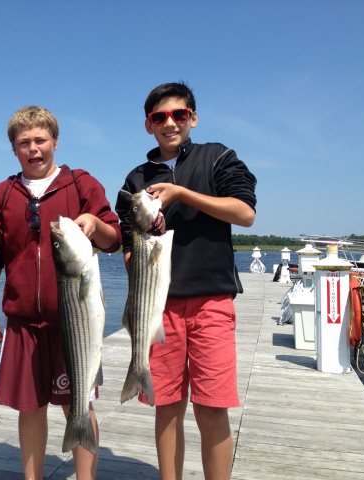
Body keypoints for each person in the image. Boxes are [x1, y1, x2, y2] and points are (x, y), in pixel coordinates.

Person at [115, 82, 257, 480]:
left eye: (179, 115)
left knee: (212, 408)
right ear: (148, 125)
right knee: (167, 406)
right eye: (159, 117)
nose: (170, 123)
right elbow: (128, 245)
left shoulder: (217, 157)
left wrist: (181, 193)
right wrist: (138, 252)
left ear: (193, 118)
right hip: (158, 308)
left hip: (212, 302)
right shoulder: (136, 179)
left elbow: (244, 213)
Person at [0, 106, 121, 480]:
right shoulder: (2, 193)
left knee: (79, 404)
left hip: (73, 322)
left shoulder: (80, 183)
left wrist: (94, 223)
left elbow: (114, 238)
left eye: (40, 140)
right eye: (24, 142)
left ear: (55, 142)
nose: (33, 149)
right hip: (23, 321)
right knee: (29, 408)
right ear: (13, 149)